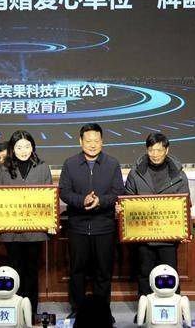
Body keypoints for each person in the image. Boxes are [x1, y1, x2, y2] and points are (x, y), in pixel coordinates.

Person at [59, 123, 125, 324]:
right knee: (77, 271)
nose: (93, 144)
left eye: (96, 140)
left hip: (104, 226)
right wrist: (82, 200)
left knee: (103, 272)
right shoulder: (70, 164)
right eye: (88, 141)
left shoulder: (112, 164)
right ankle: (77, 310)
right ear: (80, 141)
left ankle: (103, 312)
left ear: (102, 141)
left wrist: (100, 201)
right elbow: (64, 192)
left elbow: (118, 192)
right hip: (78, 227)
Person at [0, 130, 53, 319]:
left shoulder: (43, 168)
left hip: (35, 230)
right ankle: (15, 311)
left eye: (27, 146)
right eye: (19, 147)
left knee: (32, 271)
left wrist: (50, 222)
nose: (23, 150)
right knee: (15, 270)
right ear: (12, 149)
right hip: (11, 231)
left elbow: (49, 198)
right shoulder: (3, 169)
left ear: (33, 147)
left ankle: (31, 312)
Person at [124, 133, 190, 299]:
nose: (155, 154)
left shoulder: (178, 174)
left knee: (169, 273)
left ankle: (173, 308)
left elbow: (185, 204)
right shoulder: (136, 173)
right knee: (144, 272)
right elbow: (128, 198)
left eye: (159, 150)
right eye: (151, 150)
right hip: (143, 234)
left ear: (166, 150)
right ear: (147, 150)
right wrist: (122, 208)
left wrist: (187, 231)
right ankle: (145, 308)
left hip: (168, 235)